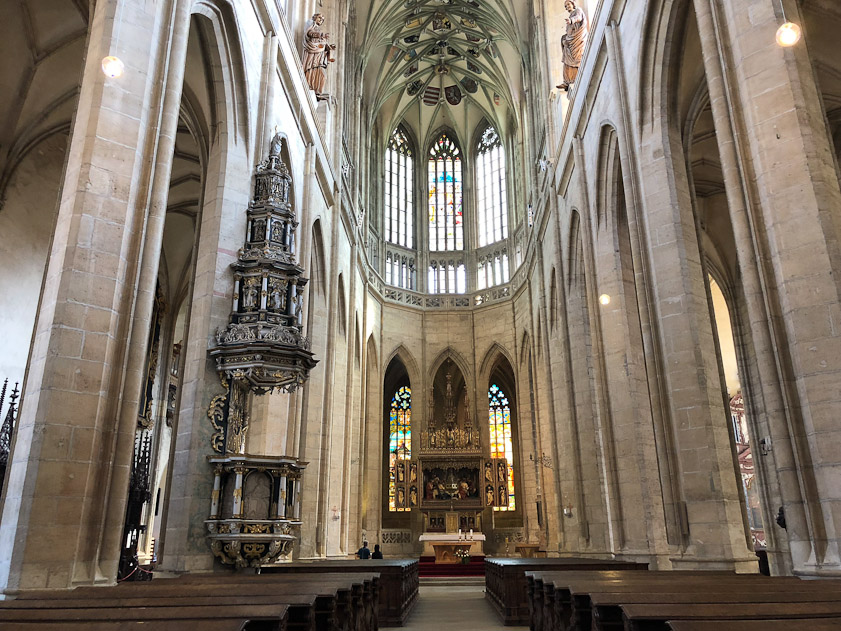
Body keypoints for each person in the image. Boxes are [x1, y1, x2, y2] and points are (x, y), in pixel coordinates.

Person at [557, 1, 588, 91]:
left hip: (577, 41)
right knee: (566, 59)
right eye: (565, 6)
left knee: (576, 58)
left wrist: (571, 20)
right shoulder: (570, 16)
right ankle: (567, 81)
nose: (567, 7)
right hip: (570, 41)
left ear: (573, 4)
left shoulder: (578, 10)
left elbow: (578, 17)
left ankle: (576, 77)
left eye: (568, 4)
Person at [302, 14, 336, 97]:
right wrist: (320, 35)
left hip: (319, 56)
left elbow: (322, 44)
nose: (321, 20)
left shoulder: (318, 29)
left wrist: (329, 47)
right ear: (314, 17)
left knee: (323, 75)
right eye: (320, 18)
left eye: (323, 19)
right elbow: (309, 33)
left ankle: (317, 90)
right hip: (313, 54)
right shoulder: (311, 24)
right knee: (312, 69)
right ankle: (310, 85)